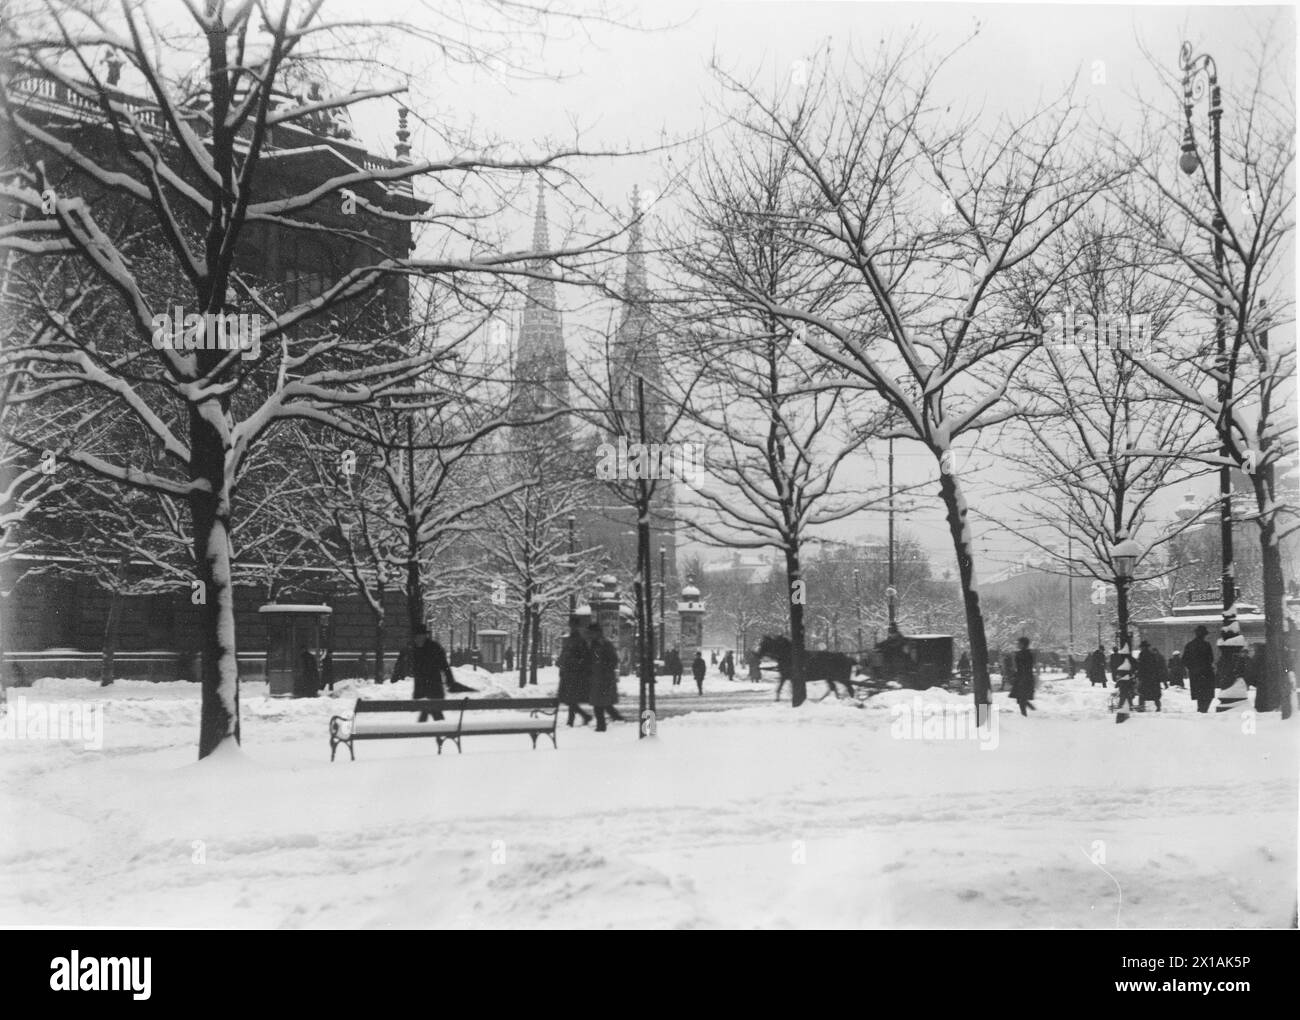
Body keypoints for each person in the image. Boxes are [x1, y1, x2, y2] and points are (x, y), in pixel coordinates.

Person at [391, 623, 453, 722]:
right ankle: (437, 730)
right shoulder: (427, 647)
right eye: (417, 636)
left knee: (431, 713)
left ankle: (433, 730)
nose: (418, 638)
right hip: (427, 689)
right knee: (433, 713)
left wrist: (450, 680)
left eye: (420, 636)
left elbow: (444, 666)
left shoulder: (428, 648)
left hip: (431, 689)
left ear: (424, 636)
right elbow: (444, 666)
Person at [586, 621, 623, 731]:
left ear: (597, 632)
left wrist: (603, 668)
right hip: (597, 678)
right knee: (602, 704)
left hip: (603, 679)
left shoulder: (604, 644)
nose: (590, 635)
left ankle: (601, 726)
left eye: (591, 632)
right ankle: (611, 721)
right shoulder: (595, 643)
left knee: (600, 704)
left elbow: (613, 660)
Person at [557, 620, 592, 727]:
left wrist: (568, 662)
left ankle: (572, 720)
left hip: (574, 674)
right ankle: (582, 716)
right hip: (569, 674)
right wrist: (561, 662)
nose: (572, 628)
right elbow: (565, 655)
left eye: (574, 626)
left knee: (570, 699)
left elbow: (584, 658)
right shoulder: (572, 640)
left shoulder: (578, 641)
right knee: (569, 699)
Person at [1183, 625, 1216, 714]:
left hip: (1195, 674)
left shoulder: (1189, 645)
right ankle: (1203, 709)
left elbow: (1185, 660)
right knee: (1208, 693)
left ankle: (1201, 709)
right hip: (1206, 673)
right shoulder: (1206, 645)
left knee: (1199, 693)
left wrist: (1192, 668)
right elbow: (1211, 659)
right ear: (1204, 635)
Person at [1136, 640, 1164, 712]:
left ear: (1143, 647)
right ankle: (1158, 706)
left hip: (1145, 677)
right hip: (1153, 677)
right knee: (1154, 694)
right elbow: (1156, 665)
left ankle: (1141, 706)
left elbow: (1140, 666)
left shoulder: (1142, 654)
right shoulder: (1152, 654)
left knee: (1142, 693)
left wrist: (1139, 675)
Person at [1011, 636, 1036, 716]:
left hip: (1022, 678)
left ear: (1022, 644)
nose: (1017, 644)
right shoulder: (1029, 653)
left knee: (1021, 698)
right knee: (1021, 697)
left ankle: (1024, 715)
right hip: (1026, 677)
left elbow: (1021, 667)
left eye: (1018, 643)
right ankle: (1031, 710)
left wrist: (1017, 675)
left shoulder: (1021, 654)